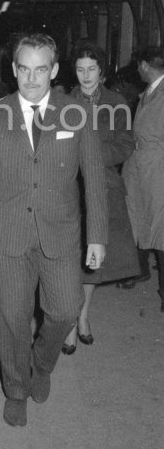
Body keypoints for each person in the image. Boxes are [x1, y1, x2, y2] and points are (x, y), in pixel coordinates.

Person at [0, 32, 108, 427]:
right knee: (11, 317)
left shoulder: (76, 113)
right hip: (7, 233)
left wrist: (98, 236)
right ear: (13, 69)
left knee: (65, 309)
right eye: (24, 69)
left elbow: (93, 177)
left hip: (60, 231)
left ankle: (41, 362)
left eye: (42, 69)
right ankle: (16, 388)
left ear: (54, 70)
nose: (32, 78)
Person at [61, 40, 138, 354]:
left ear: (102, 70)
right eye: (80, 69)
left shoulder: (117, 101)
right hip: (69, 188)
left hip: (104, 186)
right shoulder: (63, 100)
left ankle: (82, 316)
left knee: (94, 261)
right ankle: (68, 322)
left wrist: (91, 156)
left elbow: (125, 145)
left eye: (91, 69)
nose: (85, 75)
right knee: (70, 257)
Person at [122, 46, 164, 312]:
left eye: (139, 65)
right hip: (140, 166)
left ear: (147, 65)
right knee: (139, 220)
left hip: (157, 168)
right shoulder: (149, 92)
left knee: (161, 229)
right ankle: (141, 269)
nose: (137, 70)